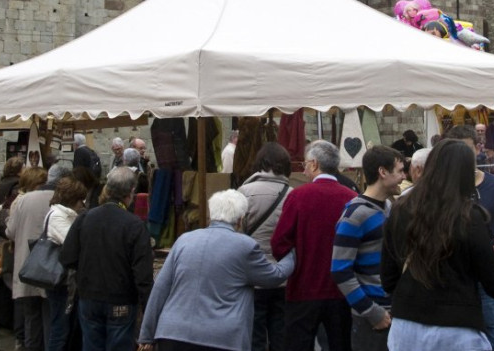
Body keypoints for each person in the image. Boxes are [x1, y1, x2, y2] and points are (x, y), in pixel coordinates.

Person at [381, 139, 494, 351]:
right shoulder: (470, 217)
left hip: (407, 326)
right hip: (457, 329)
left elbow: (389, 279)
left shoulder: (401, 209)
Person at [138, 189, 295, 351]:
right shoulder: (245, 246)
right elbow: (275, 276)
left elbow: (160, 289)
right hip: (220, 338)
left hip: (172, 334)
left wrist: (146, 335)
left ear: (211, 215)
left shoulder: (184, 240)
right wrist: (292, 253)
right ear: (240, 220)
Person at [271, 140, 357, 351]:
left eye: (306, 164)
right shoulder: (352, 198)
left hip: (303, 288)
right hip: (342, 290)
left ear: (314, 164)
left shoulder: (299, 196)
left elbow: (279, 242)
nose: (304, 169)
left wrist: (294, 260)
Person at [445, 125, 494, 351]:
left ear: (477, 148)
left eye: (466, 150)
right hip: (456, 284)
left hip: (490, 282)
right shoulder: (443, 191)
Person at [60, 167, 153, 351]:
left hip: (90, 297)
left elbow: (67, 257)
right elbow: (143, 276)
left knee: (91, 345)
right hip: (121, 299)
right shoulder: (134, 225)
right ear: (131, 192)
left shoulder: (85, 218)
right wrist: (149, 310)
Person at [331, 145, 404, 351]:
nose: (403, 176)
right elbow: (339, 269)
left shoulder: (389, 208)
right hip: (374, 316)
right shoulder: (356, 214)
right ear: (383, 172)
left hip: (394, 311)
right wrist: (371, 312)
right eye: (399, 171)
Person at [237, 142, 294, 351]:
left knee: (255, 336)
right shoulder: (292, 194)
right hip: (284, 275)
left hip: (252, 277)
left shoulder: (244, 192)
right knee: (281, 334)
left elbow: (236, 236)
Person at [7, 164, 69, 351]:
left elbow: (10, 231)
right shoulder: (62, 200)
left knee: (31, 318)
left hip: (27, 264)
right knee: (51, 317)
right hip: (52, 267)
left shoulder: (23, 200)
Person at [44, 176, 87, 351]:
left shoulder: (68, 215)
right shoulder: (57, 216)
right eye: (80, 200)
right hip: (60, 280)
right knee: (60, 328)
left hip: (68, 280)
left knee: (67, 328)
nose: (82, 203)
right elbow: (73, 243)